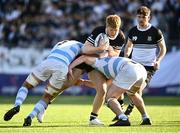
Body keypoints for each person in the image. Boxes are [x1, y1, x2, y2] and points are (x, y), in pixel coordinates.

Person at [36, 14, 126, 126]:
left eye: (116, 30)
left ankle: (93, 119)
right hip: (84, 58)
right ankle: (43, 105)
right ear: (106, 26)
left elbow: (114, 55)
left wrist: (108, 51)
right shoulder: (99, 30)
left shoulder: (121, 37)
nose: (113, 32)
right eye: (111, 29)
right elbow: (85, 48)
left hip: (97, 63)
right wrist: (99, 49)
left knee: (102, 89)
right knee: (67, 83)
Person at [3, 40, 85, 126]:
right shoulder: (81, 46)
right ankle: (30, 117)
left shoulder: (60, 43)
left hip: (48, 62)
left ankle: (17, 105)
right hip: (62, 66)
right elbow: (84, 57)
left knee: (26, 86)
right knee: (47, 97)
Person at [113, 6, 166, 123]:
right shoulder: (133, 31)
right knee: (131, 91)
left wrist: (158, 60)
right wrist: (127, 55)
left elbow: (163, 49)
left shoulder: (155, 31)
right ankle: (134, 114)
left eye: (144, 17)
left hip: (149, 67)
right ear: (136, 17)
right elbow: (129, 46)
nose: (141, 19)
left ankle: (129, 112)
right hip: (135, 65)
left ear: (149, 17)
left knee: (135, 90)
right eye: (139, 17)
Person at [68, 55, 150, 126]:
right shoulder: (108, 66)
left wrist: (70, 67)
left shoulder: (96, 62)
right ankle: (145, 118)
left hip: (129, 69)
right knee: (132, 93)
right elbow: (105, 85)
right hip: (141, 70)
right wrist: (84, 82)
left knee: (110, 98)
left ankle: (123, 118)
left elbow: (84, 57)